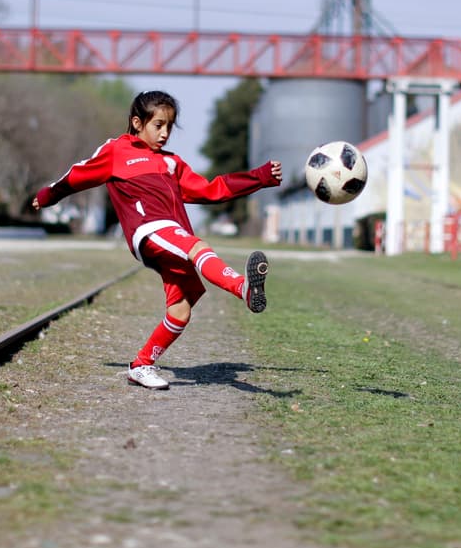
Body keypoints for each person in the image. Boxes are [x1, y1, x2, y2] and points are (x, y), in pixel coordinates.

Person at [32, 90, 283, 390]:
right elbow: (77, 175)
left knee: (180, 311)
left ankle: (141, 365)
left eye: (169, 127)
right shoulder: (117, 151)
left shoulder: (171, 163)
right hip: (148, 231)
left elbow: (211, 189)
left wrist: (260, 177)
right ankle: (243, 288)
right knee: (198, 247)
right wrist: (47, 196)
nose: (164, 133)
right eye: (158, 125)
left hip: (173, 237)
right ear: (137, 123)